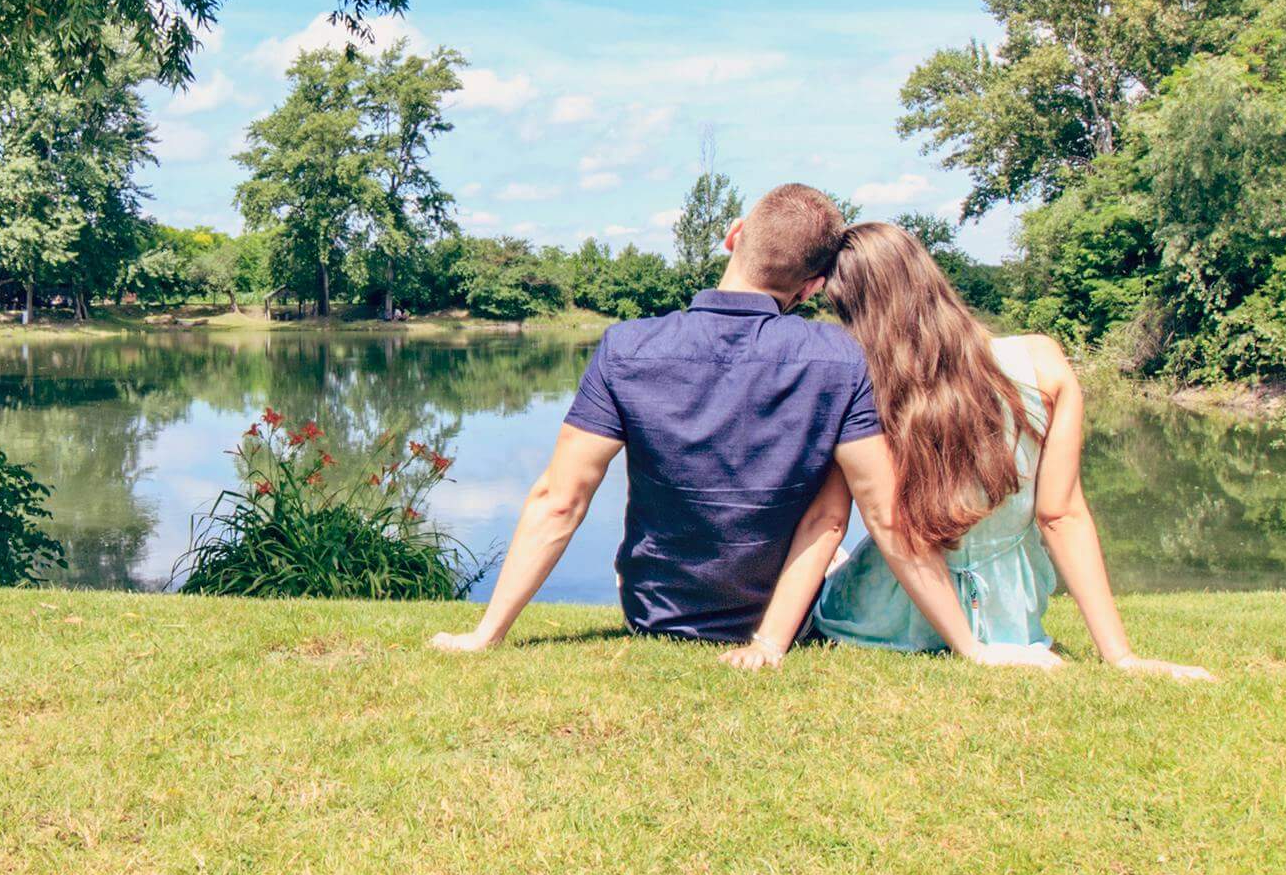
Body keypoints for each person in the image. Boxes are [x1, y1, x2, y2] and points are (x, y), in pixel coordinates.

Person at [429, 183, 1058, 657]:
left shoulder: (626, 347)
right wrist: (973, 651)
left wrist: (486, 634)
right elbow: (873, 516)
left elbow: (558, 502)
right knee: (835, 549)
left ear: (733, 235)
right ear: (813, 285)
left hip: (656, 617)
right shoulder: (839, 358)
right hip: (785, 618)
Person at [722, 221, 1213, 679]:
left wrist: (770, 641)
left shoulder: (861, 385)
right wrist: (1121, 656)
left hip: (879, 621)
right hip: (1007, 623)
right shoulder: (1043, 362)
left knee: (832, 553)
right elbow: (1061, 517)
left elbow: (829, 521)